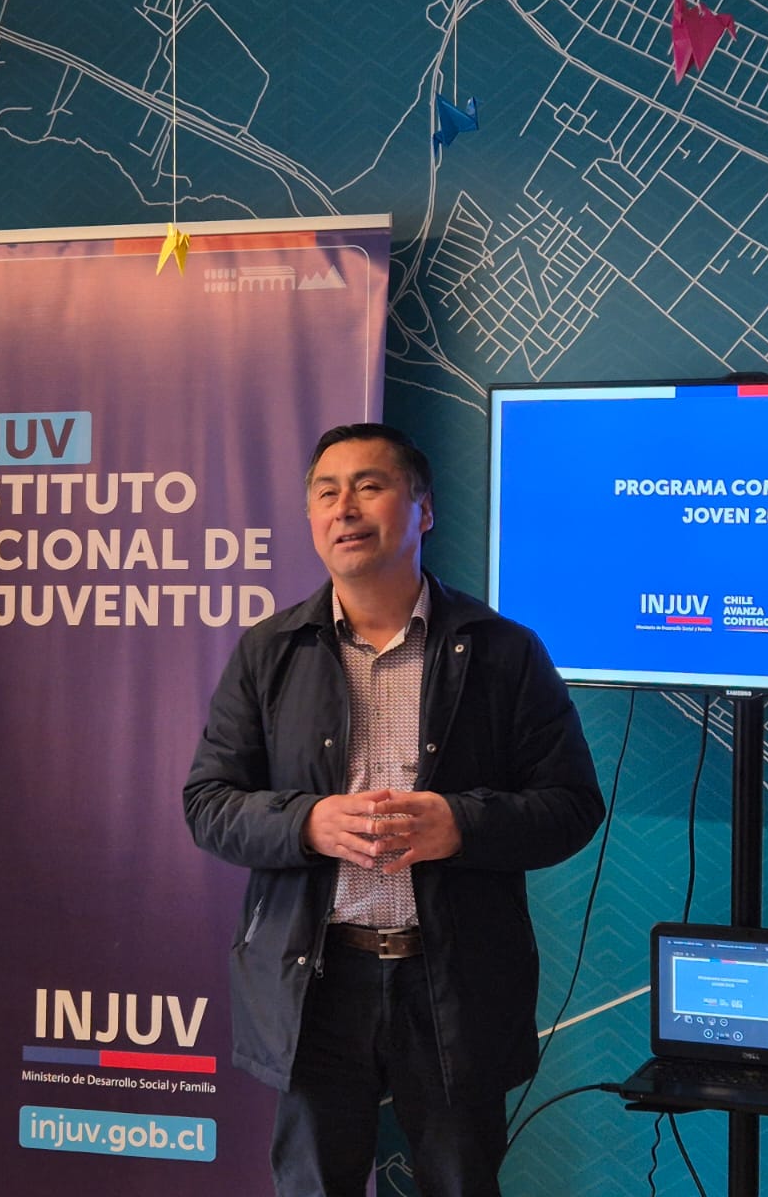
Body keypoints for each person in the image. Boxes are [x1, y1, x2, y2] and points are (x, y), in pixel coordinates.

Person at [183, 422, 604, 1197]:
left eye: (369, 487)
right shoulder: (268, 651)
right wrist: (308, 824)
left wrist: (460, 825)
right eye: (326, 493)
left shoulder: (504, 651)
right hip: (315, 983)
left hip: (453, 984)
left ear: (424, 510)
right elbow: (208, 804)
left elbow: (572, 806)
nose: (344, 508)